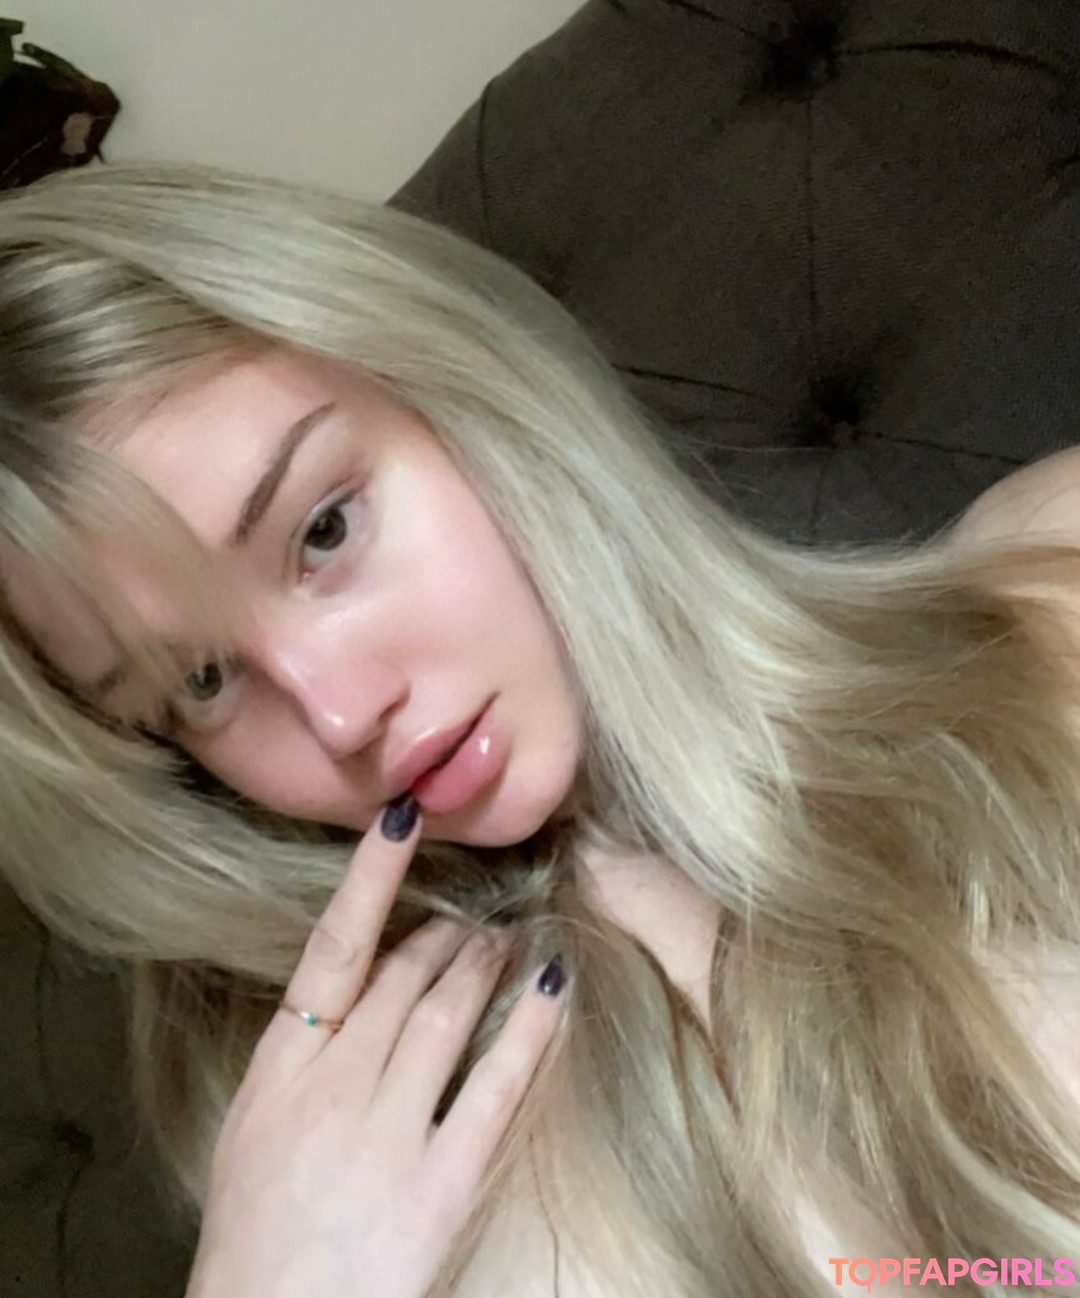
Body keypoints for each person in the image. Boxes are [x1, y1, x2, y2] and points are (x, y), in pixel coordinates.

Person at [0, 161, 1078, 1298]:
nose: (338, 710)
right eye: (202, 680)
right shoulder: (364, 1166)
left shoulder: (1051, 587)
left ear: (466, 383)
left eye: (324, 531)